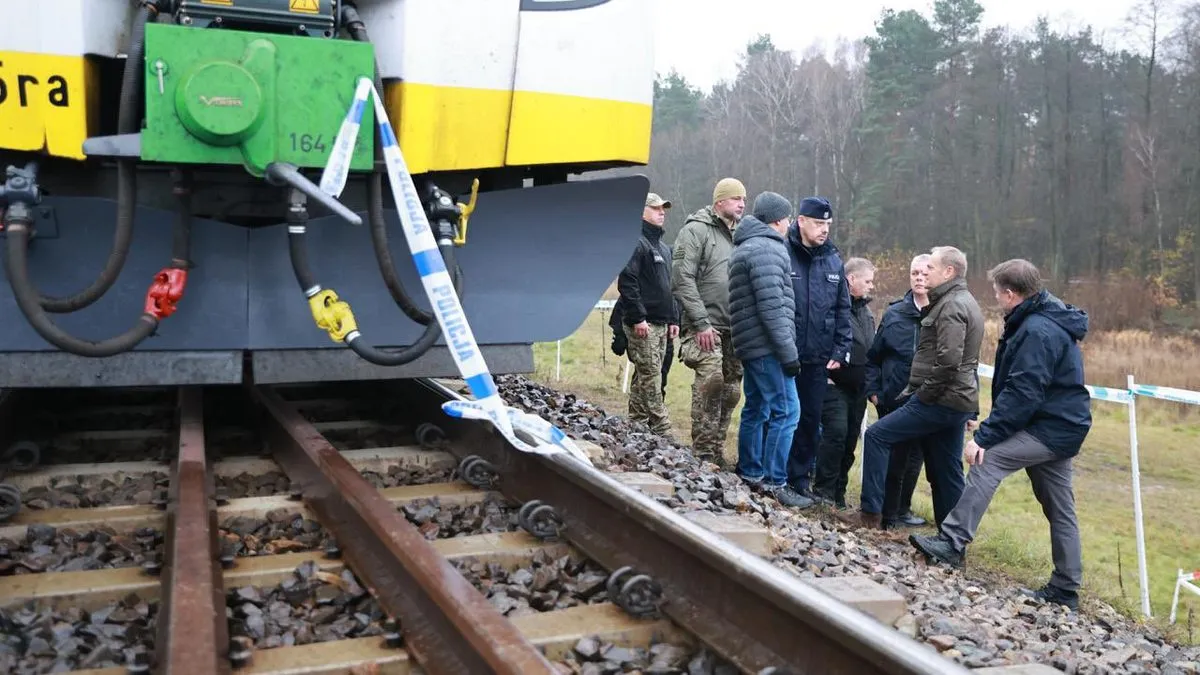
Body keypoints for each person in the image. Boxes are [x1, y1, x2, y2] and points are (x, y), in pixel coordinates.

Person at [911, 259, 1090, 611]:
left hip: (1051, 428)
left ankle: (952, 542)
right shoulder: (1040, 319)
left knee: (986, 459)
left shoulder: (1037, 330)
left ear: (1010, 294)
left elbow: (1024, 392)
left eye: (996, 292)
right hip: (1061, 424)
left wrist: (987, 435)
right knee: (1060, 507)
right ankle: (1066, 588)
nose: (994, 297)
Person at [846, 246, 983, 529]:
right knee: (946, 471)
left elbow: (950, 362)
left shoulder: (953, 305)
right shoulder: (959, 300)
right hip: (954, 400)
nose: (924, 274)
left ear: (949, 272)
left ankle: (870, 516)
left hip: (940, 400)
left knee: (877, 436)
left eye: (930, 268)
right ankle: (952, 541)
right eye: (919, 270)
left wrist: (922, 396)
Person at [728, 192, 811, 508]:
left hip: (751, 345)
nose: (789, 223)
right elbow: (773, 307)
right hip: (768, 347)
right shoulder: (768, 249)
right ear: (777, 220)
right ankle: (775, 482)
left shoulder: (746, 245)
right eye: (787, 218)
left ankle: (751, 472)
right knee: (787, 411)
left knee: (757, 408)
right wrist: (788, 353)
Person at [672, 178, 747, 464]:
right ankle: (702, 454)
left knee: (730, 391)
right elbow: (681, 279)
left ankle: (716, 451)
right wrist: (701, 322)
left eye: (744, 198)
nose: (742, 203)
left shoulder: (742, 236)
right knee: (712, 381)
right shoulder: (695, 231)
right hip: (703, 326)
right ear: (719, 202)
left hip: (734, 328)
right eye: (735, 198)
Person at [784, 197, 852, 498]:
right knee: (782, 414)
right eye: (818, 223)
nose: (824, 230)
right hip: (786, 352)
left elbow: (842, 309)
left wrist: (840, 350)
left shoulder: (833, 260)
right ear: (801, 221)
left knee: (810, 419)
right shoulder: (783, 253)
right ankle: (772, 473)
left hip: (818, 356)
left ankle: (799, 479)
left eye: (827, 224)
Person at [865, 255, 933, 528]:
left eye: (925, 274)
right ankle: (885, 514)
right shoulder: (895, 313)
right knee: (893, 458)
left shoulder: (944, 314)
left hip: (927, 401)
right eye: (914, 273)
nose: (919, 278)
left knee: (915, 459)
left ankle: (902, 509)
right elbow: (874, 356)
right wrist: (874, 391)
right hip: (893, 398)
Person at [614, 193, 680, 435]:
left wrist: (674, 318)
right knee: (651, 375)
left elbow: (669, 286)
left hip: (662, 323)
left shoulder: (662, 247)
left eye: (663, 208)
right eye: (655, 208)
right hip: (643, 323)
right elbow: (628, 282)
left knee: (646, 373)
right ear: (641, 212)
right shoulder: (635, 243)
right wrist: (638, 317)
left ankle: (637, 423)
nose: (662, 212)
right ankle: (663, 428)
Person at [812, 257, 876, 509]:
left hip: (859, 389)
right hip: (834, 385)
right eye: (868, 281)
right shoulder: (832, 306)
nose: (871, 286)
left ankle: (839, 492)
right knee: (835, 435)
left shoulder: (867, 312)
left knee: (850, 440)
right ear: (851, 279)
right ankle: (823, 490)